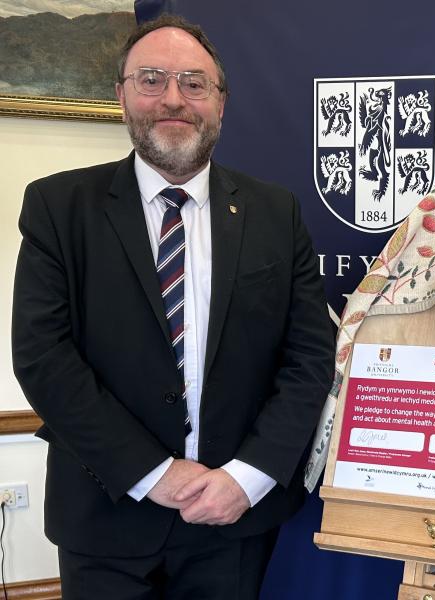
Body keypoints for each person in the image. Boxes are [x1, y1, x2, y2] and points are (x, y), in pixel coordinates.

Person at [11, 14, 335, 599]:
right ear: (122, 94)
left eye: (193, 82)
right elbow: (43, 357)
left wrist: (249, 477)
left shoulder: (276, 213)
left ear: (220, 101)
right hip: (104, 515)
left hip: (234, 519)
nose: (173, 99)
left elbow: (310, 357)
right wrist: (152, 473)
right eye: (152, 79)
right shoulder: (58, 206)